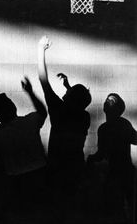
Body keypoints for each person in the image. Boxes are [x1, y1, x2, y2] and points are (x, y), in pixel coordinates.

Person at [37, 36, 91, 195]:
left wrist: (41, 49)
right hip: (75, 166)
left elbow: (43, 80)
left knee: (56, 198)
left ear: (70, 97)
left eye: (69, 91)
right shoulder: (84, 117)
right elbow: (77, 103)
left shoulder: (58, 110)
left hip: (56, 166)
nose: (66, 91)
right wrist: (68, 85)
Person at [0, 77, 47, 217]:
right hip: (40, 174)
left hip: (15, 180)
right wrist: (30, 93)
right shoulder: (29, 122)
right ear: (13, 108)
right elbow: (43, 112)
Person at [87, 93, 137, 220]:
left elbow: (101, 154)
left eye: (111, 100)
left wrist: (91, 159)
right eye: (108, 99)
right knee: (125, 205)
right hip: (123, 171)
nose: (107, 101)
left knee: (116, 206)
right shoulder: (121, 124)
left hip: (117, 172)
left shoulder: (105, 128)